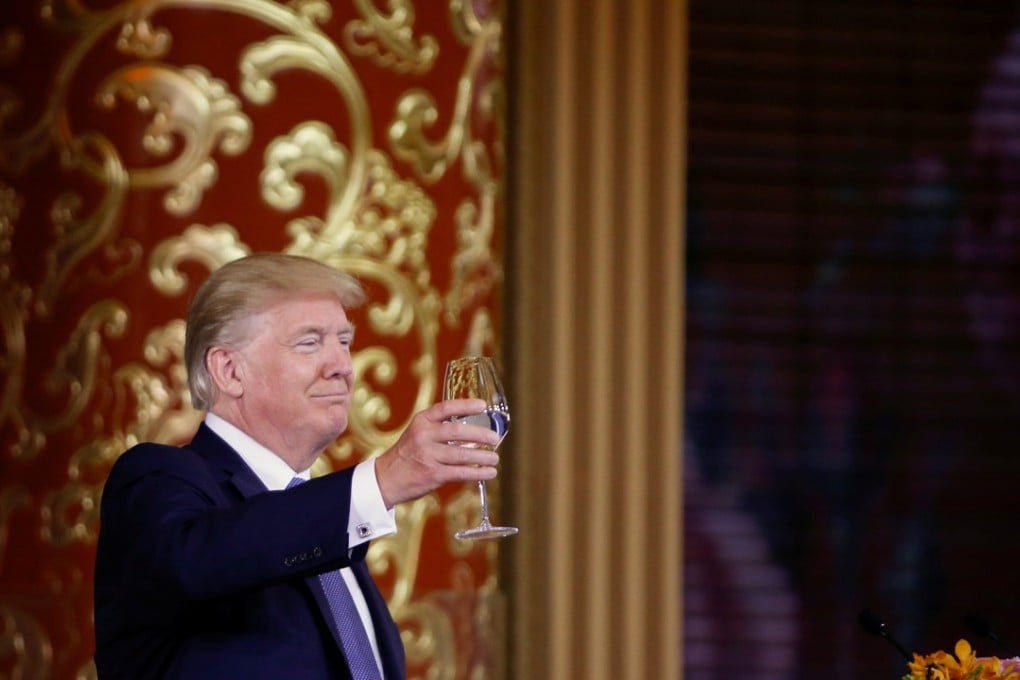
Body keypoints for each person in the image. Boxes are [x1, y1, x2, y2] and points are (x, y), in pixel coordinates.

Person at [93, 253, 502, 680]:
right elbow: (202, 561)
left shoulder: (330, 526)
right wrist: (381, 479)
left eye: (344, 342)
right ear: (229, 370)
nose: (343, 367)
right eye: (310, 343)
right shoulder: (156, 479)